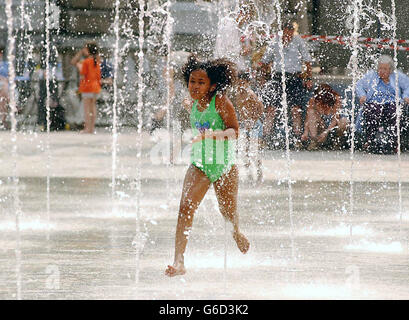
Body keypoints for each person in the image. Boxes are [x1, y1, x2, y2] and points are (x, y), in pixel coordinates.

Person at [165, 55, 250, 277]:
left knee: (227, 212)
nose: (195, 86)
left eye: (201, 82)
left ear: (212, 85)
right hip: (200, 164)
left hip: (224, 165)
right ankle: (179, 261)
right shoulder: (191, 102)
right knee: (185, 207)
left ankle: (236, 233)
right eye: (192, 81)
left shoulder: (220, 101)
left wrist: (217, 134)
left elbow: (235, 131)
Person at [260, 20, 313, 148]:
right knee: (271, 109)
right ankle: (266, 138)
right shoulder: (275, 42)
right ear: (282, 31)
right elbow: (265, 61)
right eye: (286, 31)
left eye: (291, 32)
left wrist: (308, 78)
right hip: (278, 77)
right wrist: (262, 78)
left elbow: (307, 60)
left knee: (296, 109)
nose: (288, 34)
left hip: (294, 77)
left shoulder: (298, 40)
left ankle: (297, 138)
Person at [356, 55, 409, 153]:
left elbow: (407, 85)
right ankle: (369, 140)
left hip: (392, 102)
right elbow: (359, 85)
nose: (382, 71)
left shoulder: (396, 76)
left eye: (385, 69)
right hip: (374, 102)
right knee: (372, 110)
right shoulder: (372, 75)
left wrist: (406, 96)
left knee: (396, 112)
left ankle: (394, 142)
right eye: (380, 68)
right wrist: (362, 95)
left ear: (390, 70)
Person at [232, 71, 264, 182]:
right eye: (238, 83)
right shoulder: (237, 93)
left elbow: (260, 108)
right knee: (244, 151)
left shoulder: (250, 94)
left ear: (248, 83)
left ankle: (259, 172)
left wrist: (253, 120)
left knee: (254, 151)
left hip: (254, 125)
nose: (240, 85)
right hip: (245, 125)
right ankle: (249, 174)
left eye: (243, 83)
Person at [301, 84, 349, 150]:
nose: (319, 101)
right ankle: (314, 141)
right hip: (321, 127)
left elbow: (336, 118)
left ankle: (337, 141)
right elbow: (308, 118)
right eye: (318, 98)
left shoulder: (336, 99)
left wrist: (326, 132)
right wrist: (305, 132)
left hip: (332, 128)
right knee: (311, 112)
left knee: (344, 121)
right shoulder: (313, 100)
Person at [70, 42, 101, 134]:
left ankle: (87, 128)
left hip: (87, 87)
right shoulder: (97, 61)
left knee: (87, 109)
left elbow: (83, 74)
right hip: (95, 87)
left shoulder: (86, 62)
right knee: (93, 108)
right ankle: (92, 128)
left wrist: (80, 68)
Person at [0, 49, 9, 129]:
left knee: (2, 98)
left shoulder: (6, 64)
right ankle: (3, 120)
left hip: (4, 87)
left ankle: (3, 120)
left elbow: (11, 76)